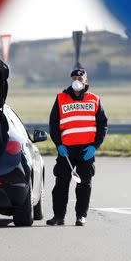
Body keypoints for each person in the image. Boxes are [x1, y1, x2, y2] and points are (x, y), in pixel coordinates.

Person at [46, 68, 108, 226]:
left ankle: (81, 216)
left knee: (84, 184)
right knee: (61, 184)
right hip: (66, 150)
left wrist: (95, 146)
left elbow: (102, 125)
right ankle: (58, 216)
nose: (77, 81)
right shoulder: (61, 98)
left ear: (86, 80)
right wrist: (58, 144)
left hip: (86, 150)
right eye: (74, 78)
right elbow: (53, 124)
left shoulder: (95, 99)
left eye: (80, 78)